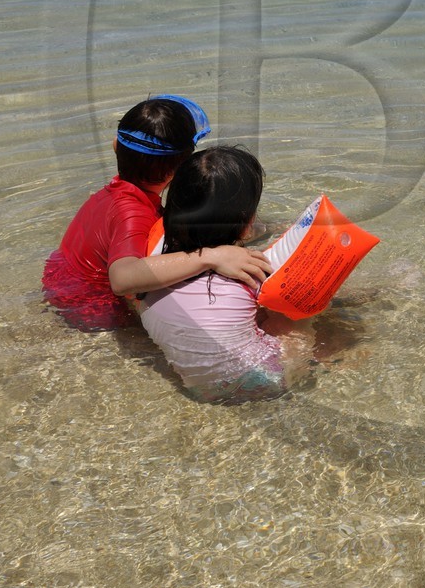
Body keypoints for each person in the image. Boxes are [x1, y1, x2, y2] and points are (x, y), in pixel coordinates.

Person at [42, 96, 269, 331]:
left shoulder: (116, 194)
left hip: (62, 287)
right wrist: (211, 256)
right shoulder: (134, 214)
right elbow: (122, 279)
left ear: (115, 146)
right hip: (92, 312)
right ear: (182, 169)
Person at [137, 145, 305, 401]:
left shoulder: (153, 266)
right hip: (261, 384)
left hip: (198, 389)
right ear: (247, 225)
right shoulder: (252, 273)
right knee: (298, 314)